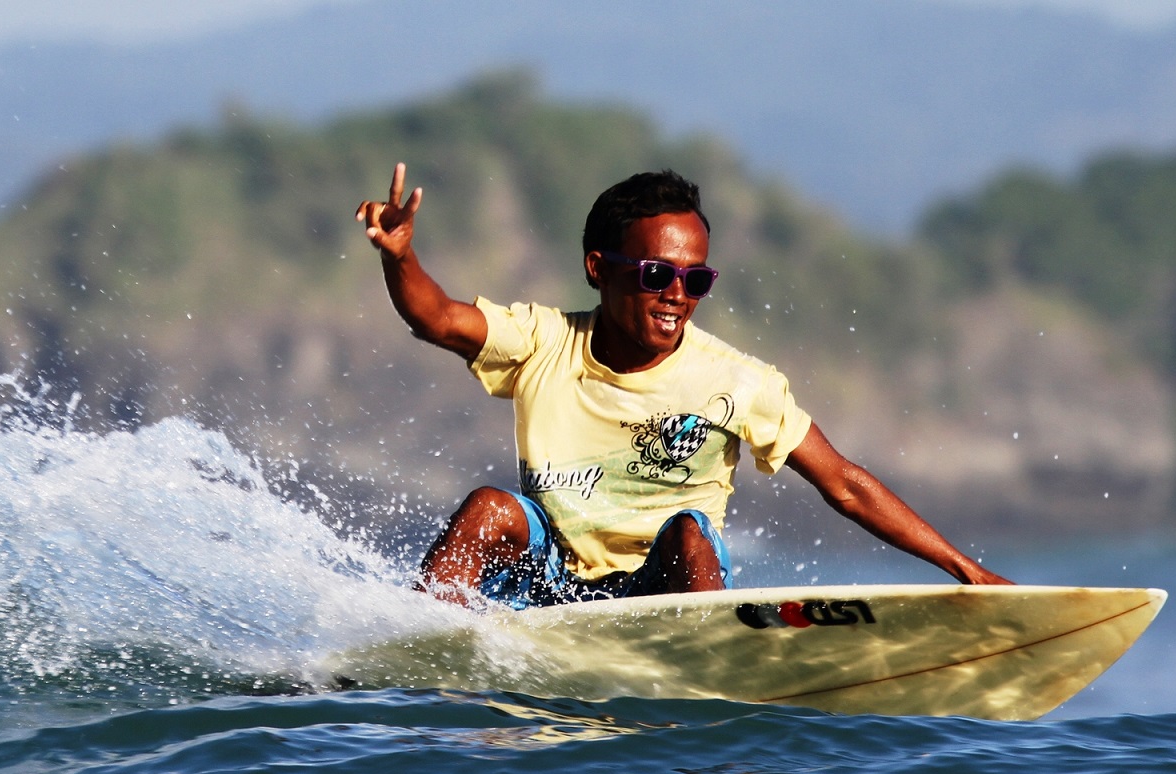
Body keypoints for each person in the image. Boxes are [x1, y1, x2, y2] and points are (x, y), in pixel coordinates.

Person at [356, 163, 1010, 607]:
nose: (677, 295)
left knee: (689, 533)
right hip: (549, 586)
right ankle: (417, 647)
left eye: (696, 279)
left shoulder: (738, 381)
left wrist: (969, 572)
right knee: (487, 509)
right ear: (598, 269)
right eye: (656, 274)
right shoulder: (543, 340)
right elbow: (436, 318)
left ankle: (708, 669)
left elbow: (844, 483)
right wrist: (400, 256)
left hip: (664, 596)